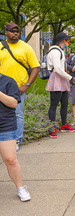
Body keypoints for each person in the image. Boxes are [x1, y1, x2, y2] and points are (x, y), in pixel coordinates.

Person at [0, 22, 40, 151]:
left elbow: (36, 67)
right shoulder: (0, 46)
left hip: (18, 88)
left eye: (17, 31)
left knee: (17, 113)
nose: (15, 33)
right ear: (6, 32)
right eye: (12, 31)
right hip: (1, 86)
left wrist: (27, 85)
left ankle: (16, 139)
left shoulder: (26, 47)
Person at [0, 73, 31, 201]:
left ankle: (20, 188)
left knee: (11, 159)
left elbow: (13, 103)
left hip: (5, 125)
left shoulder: (8, 81)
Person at [46, 32, 75, 138]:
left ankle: (64, 125)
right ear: (62, 41)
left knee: (64, 103)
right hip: (57, 78)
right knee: (54, 104)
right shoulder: (55, 52)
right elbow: (57, 68)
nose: (68, 43)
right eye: (67, 41)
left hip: (62, 78)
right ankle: (52, 128)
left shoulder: (60, 51)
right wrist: (71, 78)